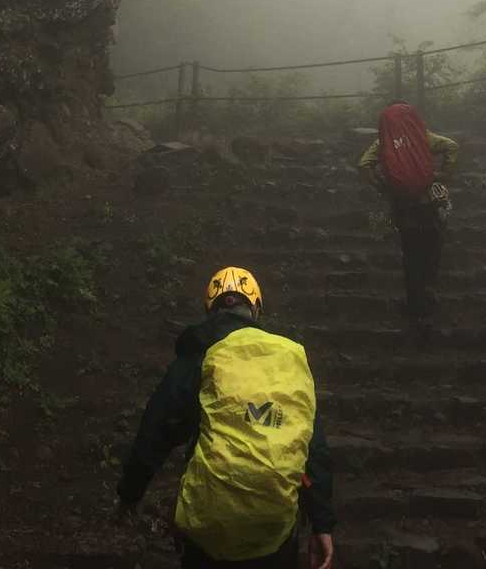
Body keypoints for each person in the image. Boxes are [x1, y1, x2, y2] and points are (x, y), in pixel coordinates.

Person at [117, 266, 335, 569]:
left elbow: (158, 429)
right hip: (274, 522)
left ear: (211, 310)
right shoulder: (290, 358)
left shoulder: (200, 354)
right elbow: (312, 446)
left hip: (208, 520)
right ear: (255, 309)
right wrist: (322, 523)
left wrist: (130, 494)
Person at [358, 102, 460, 323]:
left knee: (411, 253)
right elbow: (452, 146)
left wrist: (382, 186)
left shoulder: (383, 142)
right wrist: (442, 175)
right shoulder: (424, 136)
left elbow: (363, 164)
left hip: (403, 205)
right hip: (428, 204)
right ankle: (429, 293)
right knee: (432, 248)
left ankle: (415, 302)